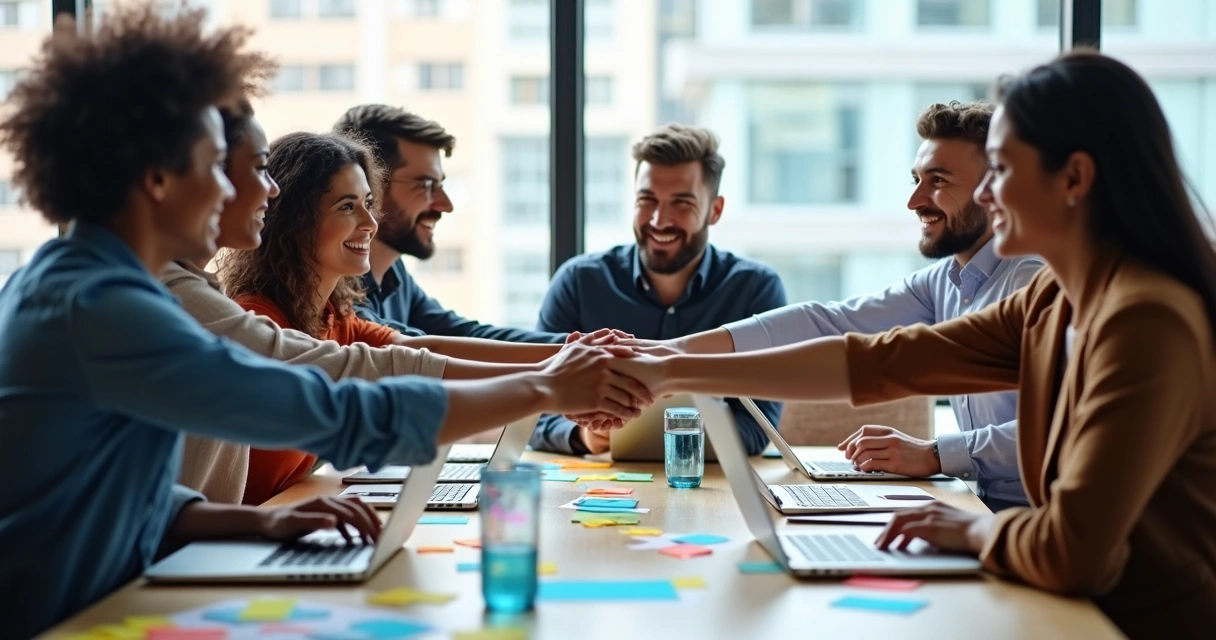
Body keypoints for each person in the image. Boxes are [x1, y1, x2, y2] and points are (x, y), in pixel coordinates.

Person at [0, 7, 642, 636]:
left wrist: (260, 523)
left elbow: (110, 483)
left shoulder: (74, 283)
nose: (232, 190)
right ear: (159, 177)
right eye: (213, 165)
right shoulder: (106, 308)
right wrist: (547, 388)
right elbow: (329, 406)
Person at [608, 51, 1216, 638]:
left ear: (1075, 178)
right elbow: (874, 359)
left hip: (1124, 625)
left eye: (999, 170)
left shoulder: (1146, 320)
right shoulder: (1052, 301)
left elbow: (1072, 550)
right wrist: (672, 368)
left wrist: (967, 530)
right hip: (1070, 604)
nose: (983, 195)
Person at [170, 106, 608, 504]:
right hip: (229, 537)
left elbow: (427, 350)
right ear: (296, 220)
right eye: (348, 206)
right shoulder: (253, 317)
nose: (370, 222)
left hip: (256, 525)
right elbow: (374, 377)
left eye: (369, 204)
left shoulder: (336, 316)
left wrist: (573, 359)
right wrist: (554, 378)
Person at [625, 103, 1042, 509]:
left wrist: (936, 454)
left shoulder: (1033, 282)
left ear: (995, 188)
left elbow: (1064, 426)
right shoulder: (944, 282)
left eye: (938, 180)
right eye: (916, 179)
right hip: (985, 508)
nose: (914, 201)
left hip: (1039, 516)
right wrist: (669, 352)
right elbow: (829, 322)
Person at [532, 125, 786, 455]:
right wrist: (586, 436)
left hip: (709, 486)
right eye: (647, 199)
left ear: (715, 210)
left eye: (681, 203)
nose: (658, 220)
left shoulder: (755, 289)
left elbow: (757, 428)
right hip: (604, 486)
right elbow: (536, 413)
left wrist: (661, 436)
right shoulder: (579, 281)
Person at [333, 104, 567, 345]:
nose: (445, 204)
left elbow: (463, 335)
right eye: (425, 185)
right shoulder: (333, 285)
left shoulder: (394, 273)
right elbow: (417, 351)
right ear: (369, 186)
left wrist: (581, 344)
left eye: (440, 185)